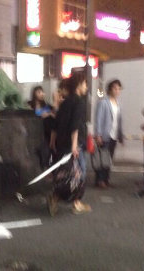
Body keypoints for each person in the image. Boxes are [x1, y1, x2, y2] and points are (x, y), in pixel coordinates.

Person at [48, 71, 90, 216]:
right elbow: (75, 125)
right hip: (73, 145)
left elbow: (56, 123)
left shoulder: (65, 102)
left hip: (61, 143)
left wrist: (52, 141)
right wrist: (74, 146)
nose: (86, 87)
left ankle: (58, 198)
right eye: (85, 84)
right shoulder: (79, 102)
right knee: (79, 174)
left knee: (66, 174)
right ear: (78, 85)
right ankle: (72, 202)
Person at [94, 79, 123, 188]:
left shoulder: (118, 104)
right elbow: (98, 119)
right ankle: (100, 180)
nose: (117, 91)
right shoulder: (103, 102)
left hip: (114, 135)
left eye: (119, 89)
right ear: (110, 89)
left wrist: (120, 135)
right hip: (105, 135)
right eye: (115, 88)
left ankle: (106, 179)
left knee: (109, 159)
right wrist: (98, 135)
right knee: (102, 159)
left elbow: (119, 121)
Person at [28, 86, 55, 169]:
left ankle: (45, 166)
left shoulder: (47, 106)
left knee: (45, 151)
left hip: (45, 132)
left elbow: (54, 115)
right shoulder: (30, 105)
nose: (42, 94)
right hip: (34, 132)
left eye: (42, 92)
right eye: (39, 92)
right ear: (34, 93)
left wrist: (49, 114)